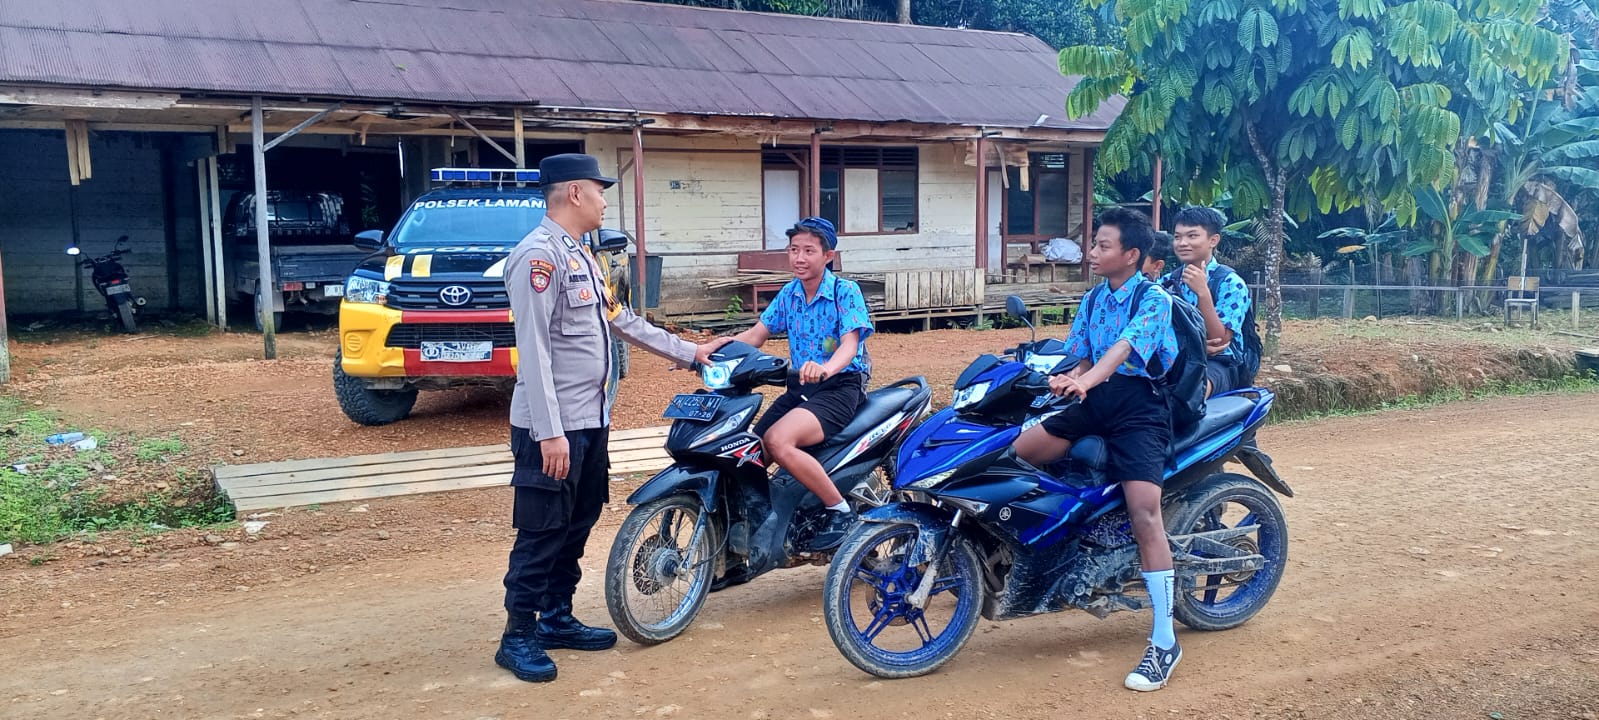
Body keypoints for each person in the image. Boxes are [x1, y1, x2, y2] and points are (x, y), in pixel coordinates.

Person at [498, 153, 729, 683]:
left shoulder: (582, 255)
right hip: (551, 429)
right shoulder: (537, 258)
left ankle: (556, 617)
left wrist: (688, 352)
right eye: (599, 191)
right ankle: (517, 636)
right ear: (574, 193)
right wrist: (550, 432)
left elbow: (619, 320)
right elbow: (532, 353)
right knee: (541, 528)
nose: (605, 200)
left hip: (590, 420)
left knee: (576, 524)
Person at [1009, 207, 1184, 692]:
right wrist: (1056, 376)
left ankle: (1165, 642)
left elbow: (1123, 351)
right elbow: (1083, 352)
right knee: (1018, 452)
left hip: (1140, 409)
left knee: (1144, 513)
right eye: (1095, 243)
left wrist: (1085, 378)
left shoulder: (1154, 299)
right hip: (1094, 397)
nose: (1093, 251)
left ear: (1131, 255)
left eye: (1103, 245)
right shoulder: (1092, 298)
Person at [725, 216, 874, 550]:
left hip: (840, 388)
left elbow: (850, 345)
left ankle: (840, 510)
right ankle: (760, 521)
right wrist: (707, 352)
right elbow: (755, 336)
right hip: (800, 389)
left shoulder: (844, 292)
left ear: (828, 256)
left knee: (778, 441)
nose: (800, 258)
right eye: (794, 250)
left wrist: (826, 368)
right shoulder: (790, 293)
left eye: (809, 250)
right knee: (750, 452)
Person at [1163, 207, 1251, 396]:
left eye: (1192, 236)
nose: (1182, 243)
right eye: (1177, 237)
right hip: (1174, 357)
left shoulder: (1230, 283)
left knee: (1192, 393)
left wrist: (1203, 293)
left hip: (1218, 364)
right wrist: (1191, 347)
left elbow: (1220, 340)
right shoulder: (1166, 282)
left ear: (1213, 240)